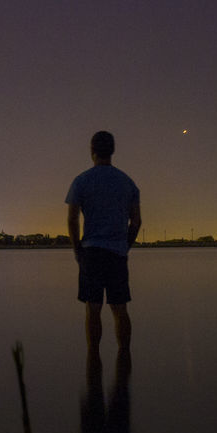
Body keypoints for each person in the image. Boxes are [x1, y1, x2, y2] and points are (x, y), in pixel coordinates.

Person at [65, 130, 141, 350]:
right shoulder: (127, 183)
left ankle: (93, 356)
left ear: (92, 151)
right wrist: (125, 245)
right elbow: (136, 221)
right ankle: (124, 356)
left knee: (93, 308)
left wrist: (77, 249)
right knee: (120, 308)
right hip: (117, 253)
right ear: (112, 151)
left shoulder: (81, 181)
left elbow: (72, 219)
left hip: (91, 253)